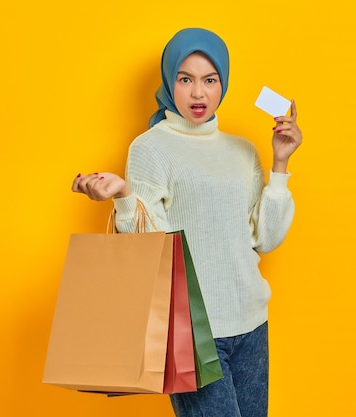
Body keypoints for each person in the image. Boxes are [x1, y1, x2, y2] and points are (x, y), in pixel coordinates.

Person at [72, 27, 302, 417]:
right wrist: (124, 196)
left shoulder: (242, 150)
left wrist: (280, 163)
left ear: (223, 84)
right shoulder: (151, 148)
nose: (198, 93)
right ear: (169, 81)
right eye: (186, 79)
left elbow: (264, 238)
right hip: (192, 331)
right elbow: (150, 248)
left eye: (210, 80)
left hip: (251, 323)